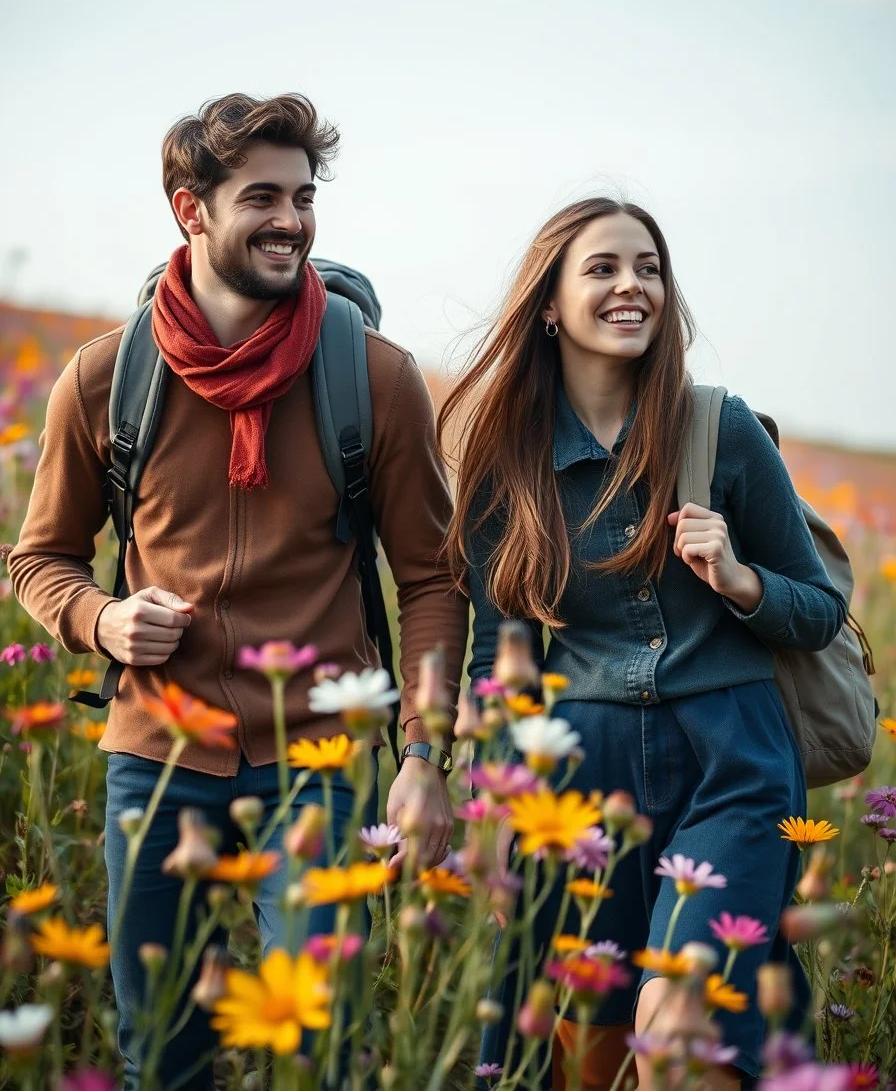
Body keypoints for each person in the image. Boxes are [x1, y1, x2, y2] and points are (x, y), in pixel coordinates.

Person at [9, 92, 468, 1090]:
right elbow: (37, 557)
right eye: (262, 196)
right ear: (191, 211)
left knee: (319, 1047)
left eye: (304, 197)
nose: (292, 220)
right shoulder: (103, 379)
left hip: (320, 755)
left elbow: (433, 579)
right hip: (156, 758)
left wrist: (426, 754)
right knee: (158, 1050)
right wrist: (101, 618)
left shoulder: (375, 378)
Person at [438, 197, 846, 1090]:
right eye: (603, 268)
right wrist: (494, 808)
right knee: (591, 1052)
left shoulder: (719, 426)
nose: (633, 286)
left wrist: (741, 580)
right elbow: (494, 662)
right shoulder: (505, 463)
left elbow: (819, 608)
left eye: (649, 268)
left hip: (735, 766)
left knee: (681, 1033)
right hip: (579, 780)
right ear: (548, 303)